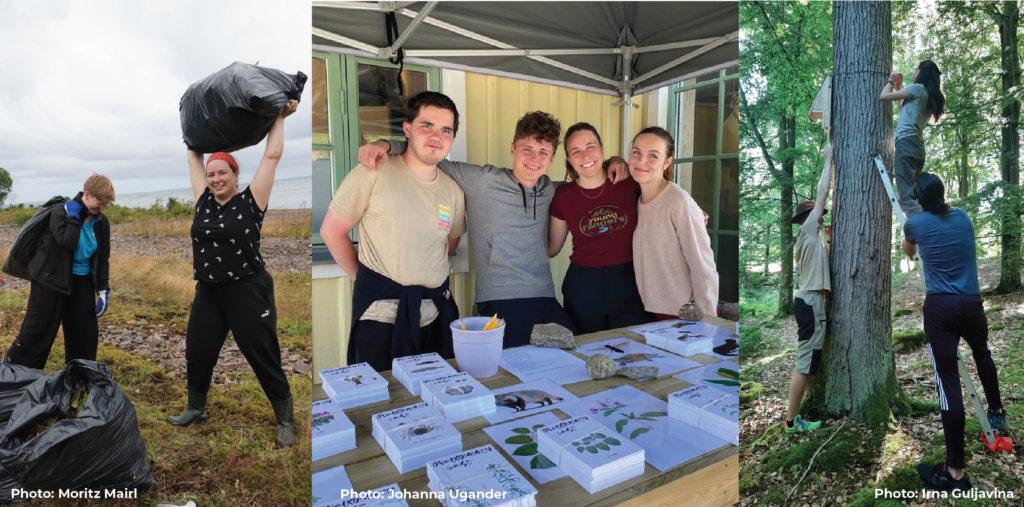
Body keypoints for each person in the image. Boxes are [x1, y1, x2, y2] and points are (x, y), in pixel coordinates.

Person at [360, 112, 630, 347]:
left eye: (543, 152)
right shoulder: (483, 180)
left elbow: (588, 179)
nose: (534, 159)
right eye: (527, 149)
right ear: (512, 149)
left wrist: (614, 161)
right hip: (501, 299)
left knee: (573, 351)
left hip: (546, 296)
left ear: (553, 158)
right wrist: (387, 144)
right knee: (516, 372)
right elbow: (428, 155)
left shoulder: (554, 190)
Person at [167, 99, 299, 448]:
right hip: (209, 291)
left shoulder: (252, 201)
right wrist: (190, 126)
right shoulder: (203, 199)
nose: (215, 179)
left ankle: (285, 416)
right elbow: (193, 155)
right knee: (197, 350)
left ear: (236, 175)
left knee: (262, 354)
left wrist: (279, 117)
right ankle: (195, 408)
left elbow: (271, 156)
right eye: (211, 174)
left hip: (247, 289)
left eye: (222, 173)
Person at [320, 91, 466, 372]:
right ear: (407, 128)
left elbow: (449, 243)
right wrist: (367, 282)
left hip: (435, 315)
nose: (436, 136)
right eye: (427, 126)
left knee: (436, 399)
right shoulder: (373, 172)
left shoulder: (453, 191)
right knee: (381, 405)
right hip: (380, 317)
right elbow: (331, 231)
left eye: (446, 130)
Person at [903, 172, 1005, 492]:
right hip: (972, 304)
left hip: (941, 311)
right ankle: (998, 413)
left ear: (919, 199)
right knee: (983, 354)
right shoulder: (963, 217)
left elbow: (909, 251)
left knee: (948, 385)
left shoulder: (915, 224)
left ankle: (956, 473)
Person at [547, 122, 652, 333]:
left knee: (632, 351)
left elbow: (662, 196)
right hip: (583, 285)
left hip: (629, 280)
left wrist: (693, 214)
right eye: (575, 151)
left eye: (590, 146)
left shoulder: (630, 182)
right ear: (568, 159)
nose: (585, 155)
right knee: (588, 354)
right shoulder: (563, 196)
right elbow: (552, 248)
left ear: (602, 147)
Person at [4, 174, 115, 369]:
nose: (102, 208)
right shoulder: (60, 212)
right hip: (50, 280)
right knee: (36, 333)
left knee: (84, 336)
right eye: (100, 203)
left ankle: (78, 383)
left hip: (82, 282)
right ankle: (13, 378)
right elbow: (69, 243)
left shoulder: (101, 221)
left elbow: (102, 258)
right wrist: (73, 214)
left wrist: (104, 290)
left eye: (106, 204)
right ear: (87, 195)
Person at [628, 126, 718, 321]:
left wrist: (709, 322)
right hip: (649, 310)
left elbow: (704, 267)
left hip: (686, 315)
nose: (641, 161)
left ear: (667, 162)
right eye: (636, 152)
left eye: (653, 155)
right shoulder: (634, 198)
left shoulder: (679, 203)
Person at [781, 146, 834, 434]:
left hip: (811, 302)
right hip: (811, 303)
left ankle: (793, 418)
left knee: (809, 361)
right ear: (808, 218)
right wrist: (828, 160)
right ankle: (791, 421)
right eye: (817, 213)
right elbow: (823, 191)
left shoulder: (811, 239)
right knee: (805, 362)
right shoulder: (807, 229)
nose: (821, 216)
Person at [879, 60, 945, 219]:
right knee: (916, 197)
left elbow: (883, 96)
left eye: (916, 69)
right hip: (917, 148)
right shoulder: (928, 95)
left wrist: (890, 80)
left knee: (906, 198)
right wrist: (898, 88)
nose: (913, 73)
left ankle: (923, 232)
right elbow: (904, 111)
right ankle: (929, 225)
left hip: (906, 144)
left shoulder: (917, 88)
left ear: (923, 73)